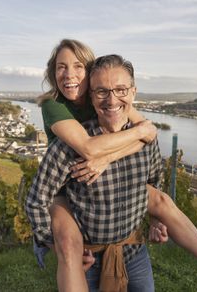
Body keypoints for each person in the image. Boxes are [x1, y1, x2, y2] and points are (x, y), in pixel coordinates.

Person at [27, 39, 197, 292]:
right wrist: (49, 241)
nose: (69, 75)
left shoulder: (107, 93)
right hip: (62, 191)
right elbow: (87, 148)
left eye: (77, 67)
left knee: (161, 201)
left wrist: (152, 216)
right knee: (68, 244)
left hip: (129, 241)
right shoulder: (55, 107)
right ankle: (56, 250)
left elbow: (146, 134)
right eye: (61, 67)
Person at [27, 54, 164, 291]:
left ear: (133, 92)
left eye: (121, 90)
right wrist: (54, 244)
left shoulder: (144, 138)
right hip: (88, 261)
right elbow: (36, 200)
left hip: (134, 253)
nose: (112, 100)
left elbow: (155, 178)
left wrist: (155, 220)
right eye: (102, 92)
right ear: (91, 96)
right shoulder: (69, 145)